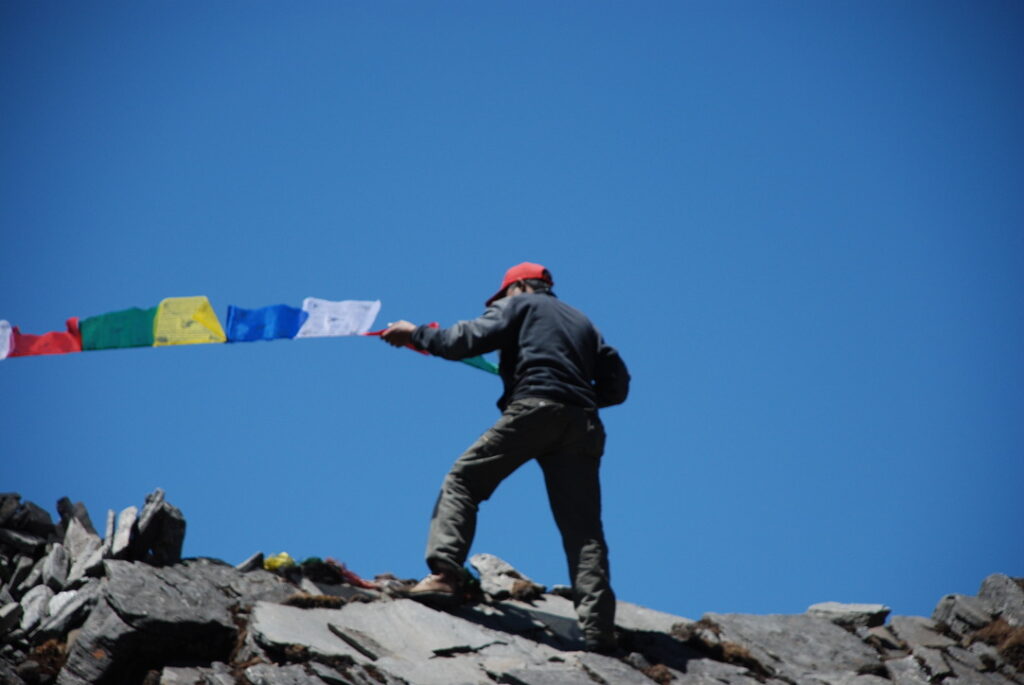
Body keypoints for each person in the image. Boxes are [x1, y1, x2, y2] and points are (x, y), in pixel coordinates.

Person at [380, 262, 630, 652]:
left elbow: (461, 341)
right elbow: (618, 386)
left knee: (464, 481)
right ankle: (599, 629)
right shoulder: (584, 323)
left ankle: (446, 575)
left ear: (520, 287)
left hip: (534, 409)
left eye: (503, 295)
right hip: (584, 424)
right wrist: (575, 397)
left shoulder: (521, 305)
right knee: (583, 530)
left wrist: (415, 333)